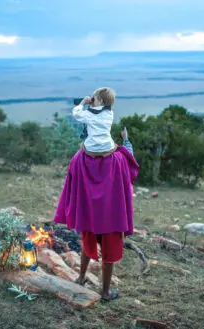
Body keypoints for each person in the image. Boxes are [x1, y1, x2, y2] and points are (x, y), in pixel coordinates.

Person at [54, 117, 138, 302]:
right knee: (109, 253)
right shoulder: (119, 159)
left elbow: (72, 183)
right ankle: (105, 292)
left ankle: (82, 277)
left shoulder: (78, 158)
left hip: (89, 215)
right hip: (112, 216)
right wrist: (126, 140)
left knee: (87, 244)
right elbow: (131, 167)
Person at [72, 87, 116, 155]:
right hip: (107, 147)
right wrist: (95, 102)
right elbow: (100, 111)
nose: (92, 100)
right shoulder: (110, 113)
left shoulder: (89, 114)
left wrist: (83, 103)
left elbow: (76, 114)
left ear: (100, 101)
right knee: (113, 144)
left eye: (93, 98)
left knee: (82, 145)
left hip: (92, 148)